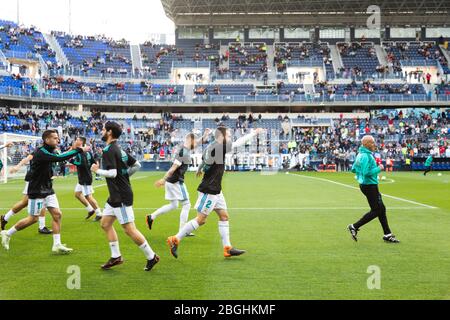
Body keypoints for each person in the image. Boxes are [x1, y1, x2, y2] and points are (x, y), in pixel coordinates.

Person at [166, 127, 265, 259]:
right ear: (221, 137)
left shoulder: (212, 146)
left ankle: (227, 248)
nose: (230, 138)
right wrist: (254, 133)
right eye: (228, 135)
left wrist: (200, 168)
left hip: (216, 190)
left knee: (224, 216)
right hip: (210, 190)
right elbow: (238, 143)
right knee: (201, 220)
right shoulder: (219, 147)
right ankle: (175, 239)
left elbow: (204, 158)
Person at [1, 130, 90, 253]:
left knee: (57, 215)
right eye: (54, 138)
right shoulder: (41, 152)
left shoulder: (50, 150)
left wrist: (73, 149)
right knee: (33, 219)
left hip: (48, 188)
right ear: (46, 140)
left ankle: (57, 245)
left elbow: (60, 155)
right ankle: (8, 233)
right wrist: (79, 150)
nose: (57, 140)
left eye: (57, 138)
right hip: (37, 190)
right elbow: (59, 158)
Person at [91, 121, 159, 272]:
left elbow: (113, 173)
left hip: (120, 195)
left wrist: (97, 170)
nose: (101, 132)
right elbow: (137, 165)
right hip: (115, 195)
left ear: (109, 132)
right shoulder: (119, 149)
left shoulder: (109, 150)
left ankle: (151, 256)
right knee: (105, 224)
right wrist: (125, 176)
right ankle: (116, 256)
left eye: (103, 129)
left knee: (129, 229)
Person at [146, 129, 211, 235]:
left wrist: (205, 134)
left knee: (174, 205)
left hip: (171, 182)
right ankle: (183, 230)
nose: (196, 144)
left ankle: (151, 217)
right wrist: (163, 179)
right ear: (190, 140)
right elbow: (173, 168)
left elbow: (199, 141)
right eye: (195, 141)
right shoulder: (183, 152)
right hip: (175, 182)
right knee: (186, 204)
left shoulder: (185, 149)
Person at [347, 135, 399, 243]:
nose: (374, 144)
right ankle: (354, 226)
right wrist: (378, 169)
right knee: (377, 210)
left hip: (365, 185)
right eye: (371, 143)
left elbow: (353, 169)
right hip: (370, 185)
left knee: (381, 209)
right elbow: (366, 173)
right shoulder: (366, 156)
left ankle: (387, 234)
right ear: (366, 144)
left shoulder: (360, 155)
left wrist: (360, 174)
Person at [1, 154, 52, 234]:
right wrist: (17, 167)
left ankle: (5, 217)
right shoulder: (40, 150)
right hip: (34, 180)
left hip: (41, 180)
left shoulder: (50, 150)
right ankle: (41, 227)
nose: (57, 141)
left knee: (25, 202)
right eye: (56, 140)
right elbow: (27, 158)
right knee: (34, 201)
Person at [70, 137, 102, 221]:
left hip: (85, 177)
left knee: (88, 196)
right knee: (77, 194)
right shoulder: (87, 152)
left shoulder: (81, 153)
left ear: (81, 142)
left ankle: (99, 213)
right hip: (84, 177)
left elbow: (82, 164)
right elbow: (93, 161)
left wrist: (71, 161)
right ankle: (90, 210)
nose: (75, 141)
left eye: (77, 140)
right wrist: (95, 164)